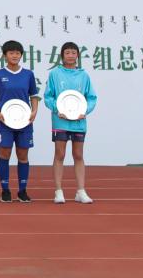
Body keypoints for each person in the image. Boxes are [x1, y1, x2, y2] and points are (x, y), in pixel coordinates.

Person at [44, 42, 98, 204]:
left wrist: (85, 111)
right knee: (60, 154)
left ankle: (81, 191)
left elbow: (91, 98)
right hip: (60, 121)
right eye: (67, 52)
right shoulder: (55, 74)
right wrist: (57, 108)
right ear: (62, 55)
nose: (70, 55)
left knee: (78, 155)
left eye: (74, 53)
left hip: (79, 122)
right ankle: (58, 191)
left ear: (78, 56)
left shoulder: (84, 75)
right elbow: (48, 96)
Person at [0, 40, 40, 203]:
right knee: (4, 154)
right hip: (4, 122)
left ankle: (22, 190)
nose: (15, 56)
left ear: (21, 55)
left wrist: (34, 111)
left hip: (24, 122)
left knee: (23, 155)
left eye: (17, 53)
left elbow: (34, 96)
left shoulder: (28, 74)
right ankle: (5, 190)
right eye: (11, 53)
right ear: (5, 55)